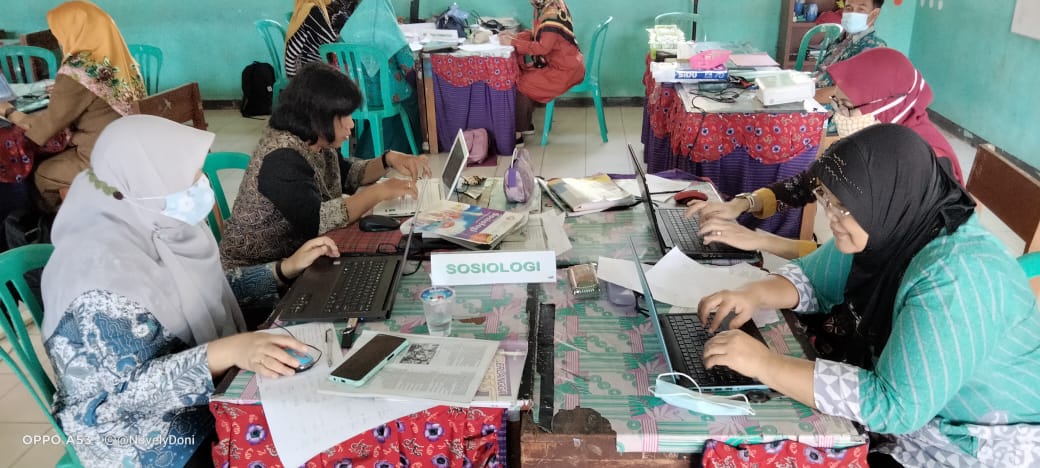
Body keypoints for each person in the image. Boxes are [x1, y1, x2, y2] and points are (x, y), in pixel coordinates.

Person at [695, 124, 1040, 466]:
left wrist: (766, 364)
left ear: (889, 199)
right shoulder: (892, 226)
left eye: (843, 208)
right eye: (826, 201)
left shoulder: (955, 279)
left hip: (970, 442)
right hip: (919, 415)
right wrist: (753, 294)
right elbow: (813, 278)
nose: (831, 218)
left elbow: (894, 405)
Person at [40, 115, 338, 466]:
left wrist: (282, 270)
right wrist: (226, 352)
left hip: (201, 396)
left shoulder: (162, 228)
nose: (202, 183)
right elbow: (127, 392)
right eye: (189, 177)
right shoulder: (97, 274)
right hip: (143, 435)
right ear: (143, 184)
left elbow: (205, 295)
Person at [685, 48, 964, 258]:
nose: (839, 114)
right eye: (836, 102)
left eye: (846, 106)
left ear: (887, 106)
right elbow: (809, 184)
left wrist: (759, 240)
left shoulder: (923, 167)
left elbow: (861, 260)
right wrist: (740, 204)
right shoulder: (876, 140)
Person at [220, 62, 431, 270]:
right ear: (318, 117)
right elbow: (319, 221)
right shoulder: (281, 158)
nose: (351, 124)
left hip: (296, 255)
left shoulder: (316, 140)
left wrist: (389, 159)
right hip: (257, 273)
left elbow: (349, 174)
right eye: (344, 116)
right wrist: (380, 191)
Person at [0, 1, 145, 213]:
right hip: (133, 149)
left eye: (59, 33)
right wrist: (63, 93)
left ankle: (58, 231)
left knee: (42, 173)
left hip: (102, 158)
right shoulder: (121, 60)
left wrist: (9, 111)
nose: (59, 40)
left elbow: (43, 130)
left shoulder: (77, 71)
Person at [337, 0, 420, 157]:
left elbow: (341, 62)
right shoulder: (392, 34)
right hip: (390, 96)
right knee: (413, 99)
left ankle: (365, 146)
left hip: (358, 96)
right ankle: (411, 147)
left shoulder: (348, 33)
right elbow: (408, 65)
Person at [499, 0, 585, 147]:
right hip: (564, 62)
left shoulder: (551, 14)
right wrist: (514, 38)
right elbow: (538, 34)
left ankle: (518, 133)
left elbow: (542, 48)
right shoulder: (549, 5)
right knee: (523, 75)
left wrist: (513, 42)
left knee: (521, 83)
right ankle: (525, 124)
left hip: (565, 70)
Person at [814, 0, 886, 90]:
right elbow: (822, 72)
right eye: (848, 8)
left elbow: (846, 97)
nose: (852, 13)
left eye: (861, 9)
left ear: (874, 14)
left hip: (827, 101)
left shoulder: (874, 49)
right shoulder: (840, 40)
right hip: (813, 92)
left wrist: (809, 95)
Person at [284, 0, 358, 78]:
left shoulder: (304, 6)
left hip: (303, 66)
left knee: (351, 61)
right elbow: (331, 40)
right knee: (355, 66)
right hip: (308, 72)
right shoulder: (312, 10)